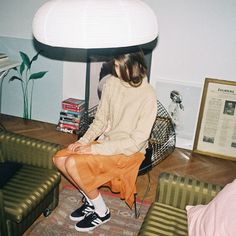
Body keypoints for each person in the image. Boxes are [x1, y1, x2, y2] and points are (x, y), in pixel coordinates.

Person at [53, 50, 157, 232]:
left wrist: (94, 150)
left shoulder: (148, 95)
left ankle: (102, 211)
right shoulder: (111, 83)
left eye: (119, 66)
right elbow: (100, 120)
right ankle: (91, 200)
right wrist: (84, 141)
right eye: (115, 65)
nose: (115, 70)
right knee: (59, 159)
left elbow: (136, 142)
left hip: (129, 151)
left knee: (72, 163)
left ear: (134, 66)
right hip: (107, 142)